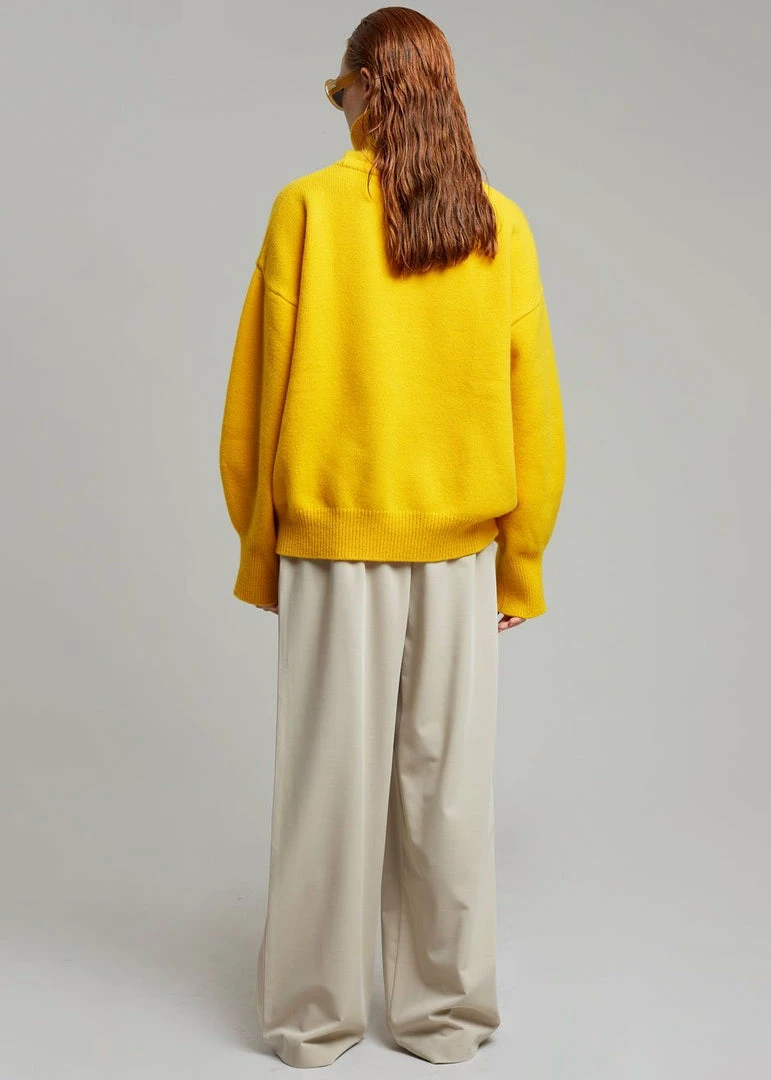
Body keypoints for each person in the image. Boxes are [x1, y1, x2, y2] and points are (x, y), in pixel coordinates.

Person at [219, 6, 566, 1069]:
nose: (341, 112)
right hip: (461, 556)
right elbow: (536, 410)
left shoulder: (306, 210)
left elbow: (253, 405)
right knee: (447, 792)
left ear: (367, 89)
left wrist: (263, 548)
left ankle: (312, 1021)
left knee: (327, 793)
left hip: (333, 547)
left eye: (341, 94)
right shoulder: (498, 225)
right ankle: (445, 1018)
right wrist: (520, 560)